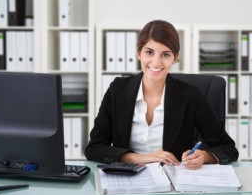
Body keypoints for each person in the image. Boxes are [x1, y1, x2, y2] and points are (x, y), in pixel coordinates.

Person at [85, 20, 238, 169]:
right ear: (139, 53)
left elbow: (228, 148)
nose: (156, 62)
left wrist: (204, 156)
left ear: (175, 57)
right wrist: (138, 158)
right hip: (128, 179)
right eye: (149, 52)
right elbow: (94, 148)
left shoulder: (190, 95)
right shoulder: (117, 90)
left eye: (165, 54)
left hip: (173, 184)